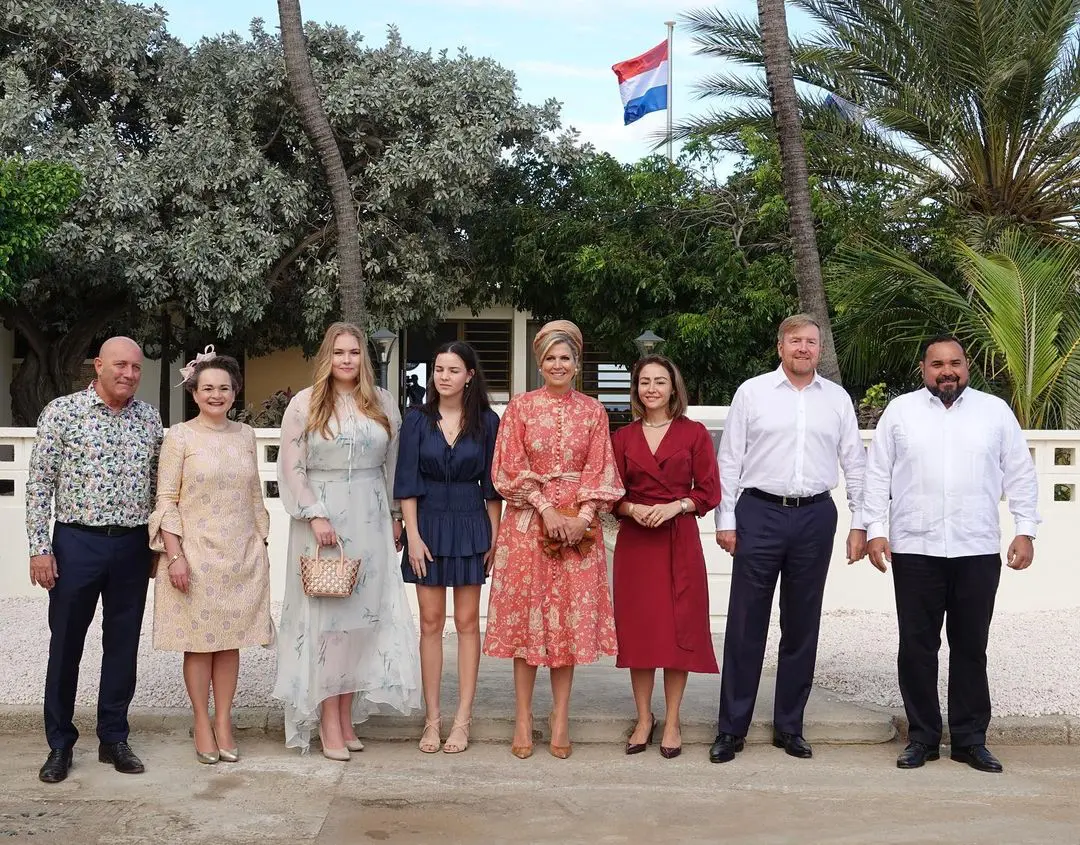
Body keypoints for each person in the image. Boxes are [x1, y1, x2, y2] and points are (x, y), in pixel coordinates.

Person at [863, 335, 1039, 773]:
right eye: (937, 363)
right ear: (924, 369)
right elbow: (877, 473)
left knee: (970, 646)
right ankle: (922, 738)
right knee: (917, 646)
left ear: (968, 366)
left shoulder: (994, 412)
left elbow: (1020, 472)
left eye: (955, 363)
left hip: (975, 548)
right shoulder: (900, 412)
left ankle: (969, 739)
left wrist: (1026, 530)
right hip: (915, 547)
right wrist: (875, 531)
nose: (947, 371)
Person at [709, 314, 867, 764]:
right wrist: (726, 519)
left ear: (820, 349)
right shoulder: (753, 392)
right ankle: (731, 728)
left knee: (801, 625)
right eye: (795, 341)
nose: (803, 348)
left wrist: (862, 522)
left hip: (815, 515)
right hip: (759, 512)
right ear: (780, 346)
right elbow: (730, 460)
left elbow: (854, 462)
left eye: (811, 342)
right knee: (745, 624)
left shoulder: (836, 399)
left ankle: (789, 726)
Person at [272, 322, 420, 760]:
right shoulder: (305, 403)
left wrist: (396, 516)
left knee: (360, 624)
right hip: (323, 517)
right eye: (339, 353)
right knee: (328, 624)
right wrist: (314, 513)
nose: (347, 360)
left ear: (364, 358)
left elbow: (393, 464)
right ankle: (328, 722)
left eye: (354, 353)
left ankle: (345, 711)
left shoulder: (382, 403)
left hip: (371, 517)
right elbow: (292, 466)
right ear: (327, 356)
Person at [483, 320, 624, 760]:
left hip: (579, 530)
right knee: (528, 624)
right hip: (528, 526)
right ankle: (523, 715)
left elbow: (601, 468)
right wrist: (545, 508)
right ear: (539, 362)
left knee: (566, 625)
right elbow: (508, 466)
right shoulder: (520, 410)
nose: (558, 365)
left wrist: (582, 517)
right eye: (550, 358)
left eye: (566, 358)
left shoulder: (593, 412)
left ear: (577, 363)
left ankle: (560, 715)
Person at [27, 337, 163, 784]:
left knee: (122, 645)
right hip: (75, 544)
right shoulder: (63, 412)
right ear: (99, 365)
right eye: (120, 365)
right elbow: (39, 485)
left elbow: (160, 487)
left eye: (136, 367)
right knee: (66, 645)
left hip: (131, 546)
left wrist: (157, 547)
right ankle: (60, 744)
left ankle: (113, 737)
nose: (128, 374)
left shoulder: (149, 419)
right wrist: (40, 548)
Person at [149, 352, 273, 765]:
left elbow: (254, 494)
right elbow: (167, 499)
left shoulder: (245, 435)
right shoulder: (180, 437)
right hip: (195, 555)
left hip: (239, 555)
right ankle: (202, 721)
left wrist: (262, 541)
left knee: (230, 642)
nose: (216, 395)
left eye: (224, 388)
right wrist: (175, 555)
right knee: (200, 644)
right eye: (208, 388)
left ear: (235, 392)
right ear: (194, 393)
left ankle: (225, 721)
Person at [611, 355, 721, 760]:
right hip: (637, 544)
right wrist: (631, 509)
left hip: (679, 538)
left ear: (674, 388)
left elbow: (709, 491)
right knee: (640, 633)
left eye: (660, 381)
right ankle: (644, 717)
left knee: (679, 631)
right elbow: (610, 495)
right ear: (636, 389)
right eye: (644, 382)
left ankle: (673, 719)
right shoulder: (622, 438)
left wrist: (678, 506)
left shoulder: (694, 434)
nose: (652, 388)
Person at [394, 342, 502, 754]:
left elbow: (493, 487)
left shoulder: (488, 422)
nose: (444, 376)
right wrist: (414, 535)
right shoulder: (417, 420)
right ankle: (432, 720)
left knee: (469, 622)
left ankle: (462, 720)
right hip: (429, 523)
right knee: (431, 623)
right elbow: (406, 480)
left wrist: (495, 536)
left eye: (453, 370)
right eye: (438, 369)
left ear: (470, 375)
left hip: (472, 522)